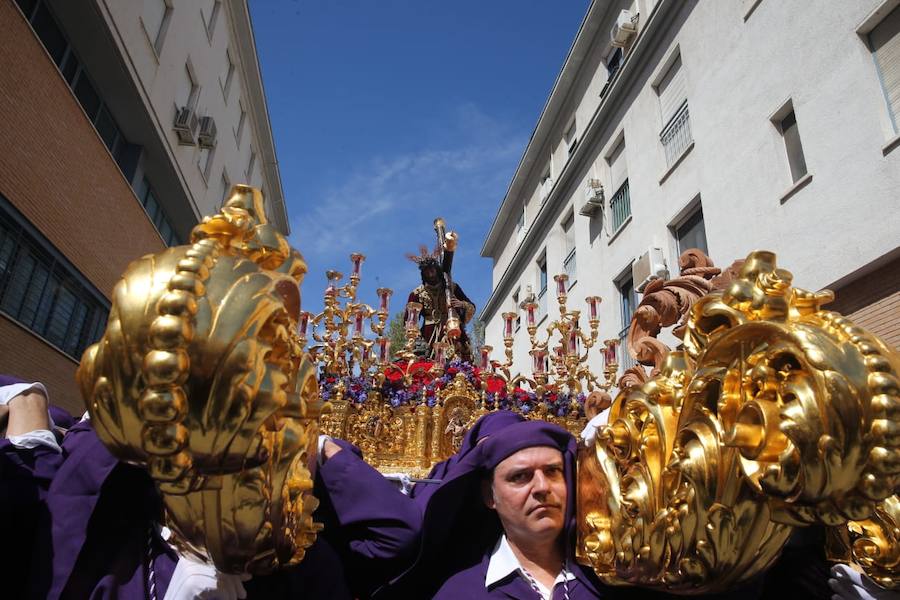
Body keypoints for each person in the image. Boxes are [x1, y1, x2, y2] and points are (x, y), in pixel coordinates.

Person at [390, 419, 603, 599]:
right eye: (520, 476)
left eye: (553, 471)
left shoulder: (609, 579)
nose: (542, 487)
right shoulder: (460, 593)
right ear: (490, 496)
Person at [405, 246, 476, 362]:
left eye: (432, 270)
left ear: (437, 270)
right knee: (428, 360)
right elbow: (408, 320)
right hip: (428, 334)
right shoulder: (416, 293)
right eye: (427, 271)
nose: (430, 274)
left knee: (457, 360)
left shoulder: (452, 287)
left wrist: (461, 304)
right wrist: (416, 337)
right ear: (423, 274)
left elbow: (471, 307)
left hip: (451, 330)